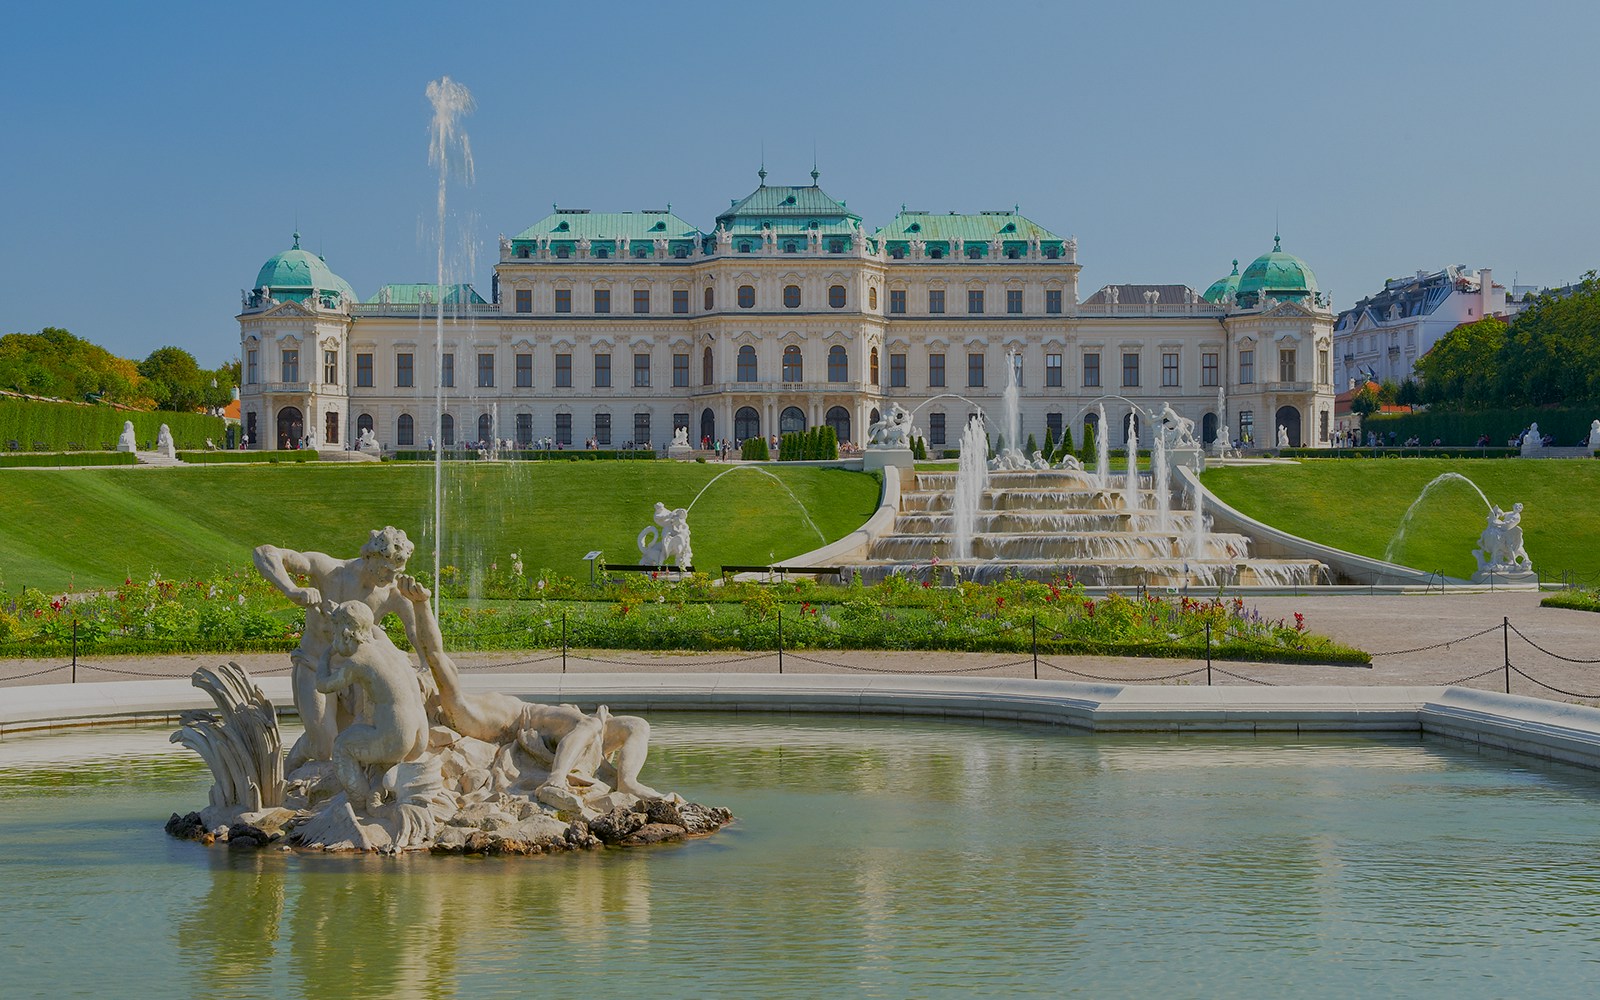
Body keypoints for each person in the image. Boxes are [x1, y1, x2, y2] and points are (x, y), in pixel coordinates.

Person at [253, 527, 434, 770]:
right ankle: (286, 772)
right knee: (324, 746)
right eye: (386, 570)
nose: (391, 579)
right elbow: (265, 552)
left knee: (363, 745)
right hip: (316, 664)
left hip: (358, 676)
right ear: (371, 556)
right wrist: (291, 590)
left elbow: (414, 631)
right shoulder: (329, 570)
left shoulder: (391, 593)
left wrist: (425, 665)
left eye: (396, 573)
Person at [317, 600, 431, 812]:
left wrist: (325, 655)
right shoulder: (385, 646)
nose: (333, 635)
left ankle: (359, 803)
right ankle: (378, 792)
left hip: (395, 739)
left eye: (335, 630)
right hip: (418, 737)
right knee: (372, 735)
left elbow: (323, 685)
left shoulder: (359, 661)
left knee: (342, 745)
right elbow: (369, 625)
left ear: (345, 632)